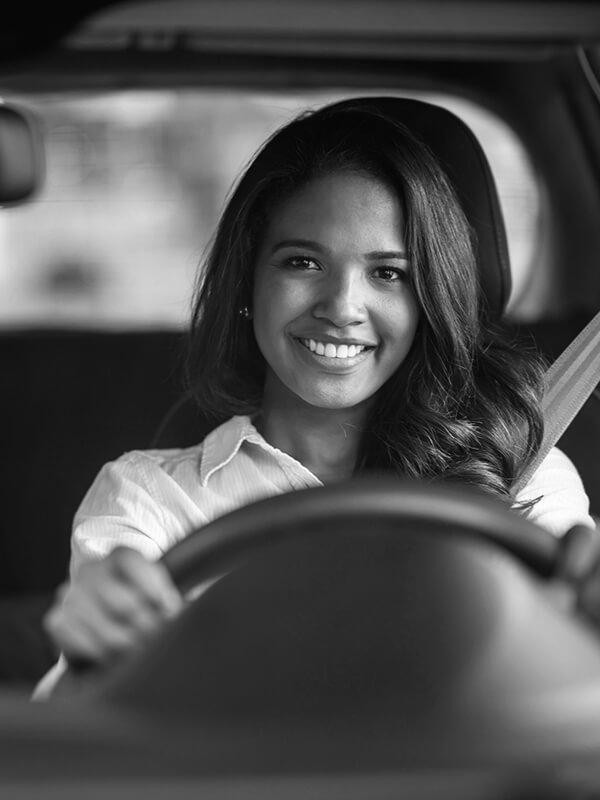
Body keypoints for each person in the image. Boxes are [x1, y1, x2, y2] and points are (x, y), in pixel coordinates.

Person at [35, 98, 595, 697]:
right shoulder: (150, 498)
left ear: (428, 299)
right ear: (249, 279)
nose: (342, 307)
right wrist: (91, 657)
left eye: (388, 274)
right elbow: (92, 731)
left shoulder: (521, 473)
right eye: (303, 262)